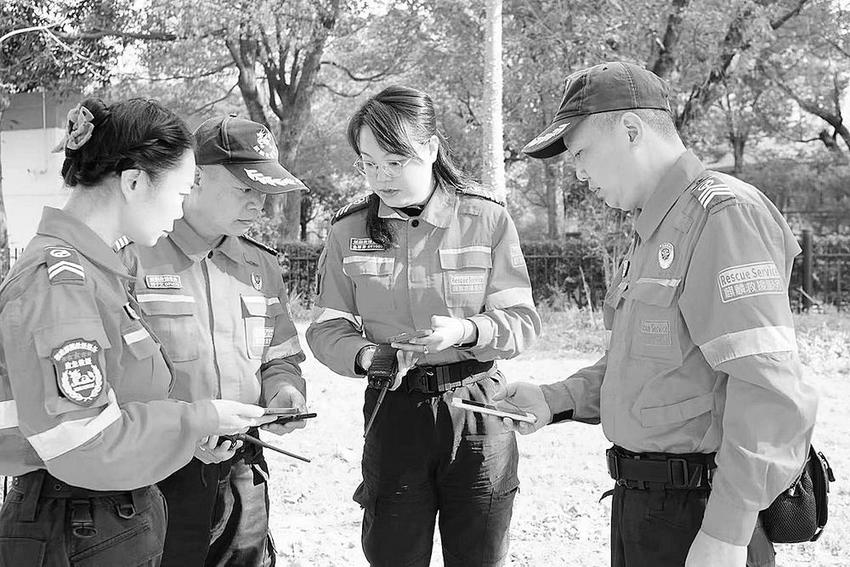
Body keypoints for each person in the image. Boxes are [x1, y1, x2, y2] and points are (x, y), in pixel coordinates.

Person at [495, 61, 819, 567]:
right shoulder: (653, 227)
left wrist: (727, 534)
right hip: (645, 507)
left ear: (630, 130)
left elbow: (769, 390)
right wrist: (554, 399)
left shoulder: (721, 215)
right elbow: (646, 366)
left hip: (699, 513)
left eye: (581, 153)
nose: (579, 173)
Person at [0, 98, 275, 566]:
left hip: (104, 518)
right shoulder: (61, 282)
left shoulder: (98, 271)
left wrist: (190, 437)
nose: (181, 208)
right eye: (180, 190)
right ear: (132, 181)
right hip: (78, 522)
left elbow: (119, 403)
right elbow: (84, 442)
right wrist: (197, 420)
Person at [306, 85, 541, 567]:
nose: (382, 177)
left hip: (476, 408)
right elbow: (327, 327)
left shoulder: (486, 219)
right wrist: (370, 356)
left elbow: (521, 322)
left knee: (479, 553)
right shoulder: (348, 229)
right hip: (394, 408)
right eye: (369, 163)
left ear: (432, 148)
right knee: (393, 552)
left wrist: (465, 332)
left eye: (395, 161)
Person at [119, 115, 309, 567]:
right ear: (196, 179)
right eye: (246, 189)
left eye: (264, 193)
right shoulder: (131, 256)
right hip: (159, 471)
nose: (258, 205)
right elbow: (115, 379)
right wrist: (185, 431)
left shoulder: (259, 266)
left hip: (244, 462)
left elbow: (279, 357)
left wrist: (286, 392)